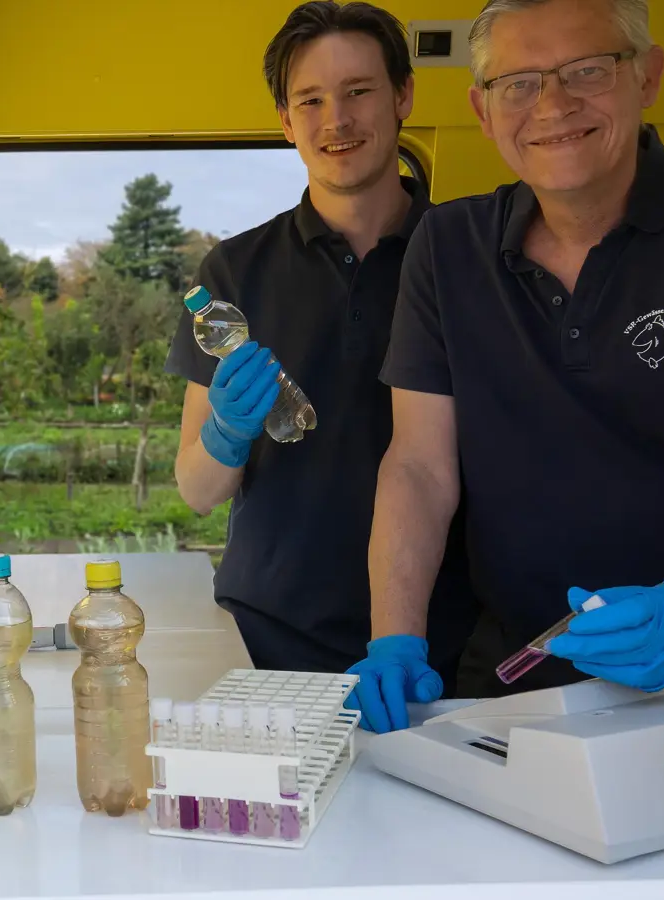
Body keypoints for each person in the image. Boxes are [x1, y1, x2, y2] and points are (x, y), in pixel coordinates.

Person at [350, 0, 664, 732]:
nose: (554, 105)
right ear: (483, 109)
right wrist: (394, 637)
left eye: (587, 70)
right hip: (513, 677)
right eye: (519, 83)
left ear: (647, 75)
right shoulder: (446, 248)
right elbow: (418, 465)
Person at [167, 1, 475, 683]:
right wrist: (226, 432)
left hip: (441, 644)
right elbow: (196, 489)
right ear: (286, 121)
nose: (336, 120)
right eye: (310, 100)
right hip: (267, 640)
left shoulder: (468, 257)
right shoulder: (233, 272)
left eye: (359, 91)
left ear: (403, 96)